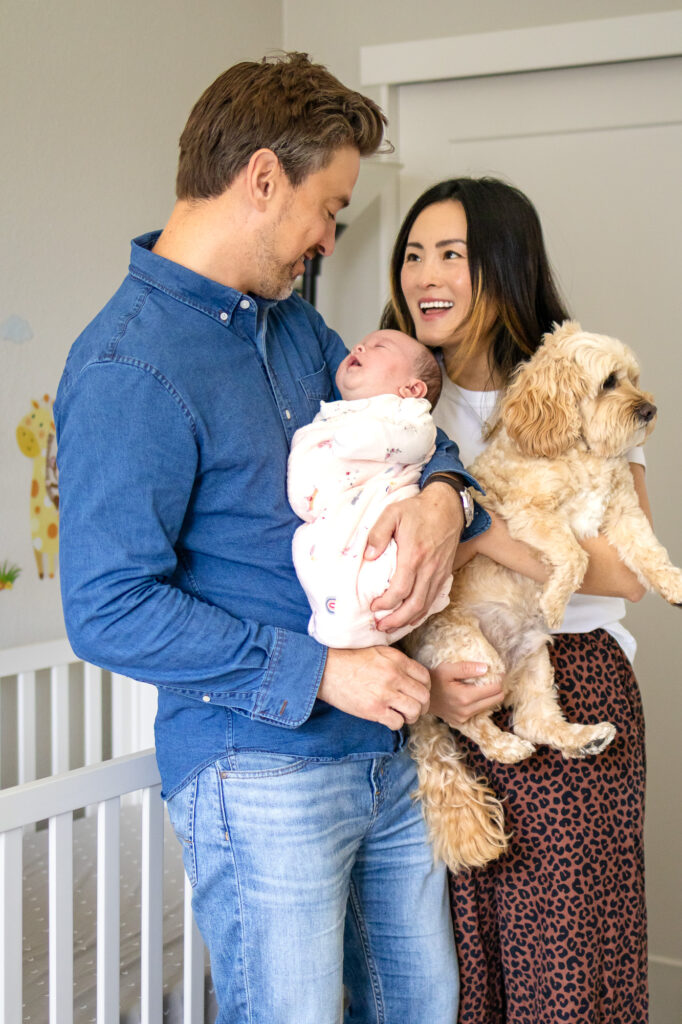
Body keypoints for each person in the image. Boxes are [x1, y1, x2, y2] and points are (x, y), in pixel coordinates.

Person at [54, 56, 501, 1024]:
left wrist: (441, 501)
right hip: (259, 764)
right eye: (328, 207)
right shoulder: (130, 364)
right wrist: (319, 671)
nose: (329, 238)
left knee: (423, 1005)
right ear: (263, 178)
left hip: (383, 743)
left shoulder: (293, 326)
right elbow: (106, 607)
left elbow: (401, 438)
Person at [381, 177, 649, 1024]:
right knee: (458, 965)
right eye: (414, 254)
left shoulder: (580, 385)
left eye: (452, 255)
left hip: (570, 684)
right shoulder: (389, 400)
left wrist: (479, 527)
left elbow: (625, 569)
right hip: (444, 691)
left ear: (504, 266)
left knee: (564, 963)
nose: (426, 274)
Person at [289, 328, 458, 648]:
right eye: (362, 343)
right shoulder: (337, 412)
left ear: (412, 388)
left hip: (380, 514)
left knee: (377, 563)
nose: (360, 346)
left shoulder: (405, 414)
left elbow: (421, 440)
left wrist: (365, 439)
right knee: (309, 550)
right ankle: (336, 622)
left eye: (378, 346)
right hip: (336, 518)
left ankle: (356, 623)